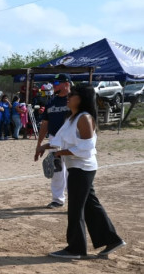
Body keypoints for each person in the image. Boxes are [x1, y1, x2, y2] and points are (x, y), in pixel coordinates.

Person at [35, 85, 125, 259]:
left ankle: (76, 249)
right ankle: (112, 239)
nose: (68, 97)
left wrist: (61, 153)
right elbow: (61, 140)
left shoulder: (85, 118)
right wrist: (44, 146)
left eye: (72, 95)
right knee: (91, 205)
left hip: (82, 168)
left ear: (82, 98)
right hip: (76, 167)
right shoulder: (71, 118)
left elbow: (87, 148)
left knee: (76, 208)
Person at [35, 74, 72, 209]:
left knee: (72, 171)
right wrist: (39, 144)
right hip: (54, 139)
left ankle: (74, 201)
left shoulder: (73, 100)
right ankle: (57, 199)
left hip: (71, 140)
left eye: (57, 82)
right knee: (56, 169)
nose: (54, 85)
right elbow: (45, 124)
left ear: (66, 84)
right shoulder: (51, 102)